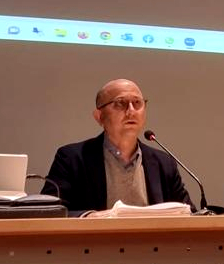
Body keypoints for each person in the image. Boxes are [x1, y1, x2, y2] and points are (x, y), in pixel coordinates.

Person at [42, 79, 192, 214]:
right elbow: (49, 212)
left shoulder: (164, 163)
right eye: (120, 103)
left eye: (137, 103)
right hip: (96, 236)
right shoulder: (72, 158)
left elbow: (189, 214)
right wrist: (89, 216)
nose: (131, 111)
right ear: (99, 116)